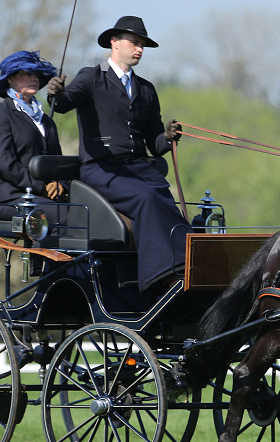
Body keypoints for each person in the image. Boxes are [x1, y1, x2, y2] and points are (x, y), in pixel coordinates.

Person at [46, 16, 189, 294]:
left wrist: (168, 137)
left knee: (168, 203)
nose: (139, 49)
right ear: (114, 42)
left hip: (139, 169)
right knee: (147, 199)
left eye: (142, 45)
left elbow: (155, 143)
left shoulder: (146, 89)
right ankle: (163, 276)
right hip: (101, 170)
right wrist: (56, 93)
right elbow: (64, 103)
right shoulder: (91, 77)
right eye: (134, 43)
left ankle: (189, 267)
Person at [0, 50, 66, 229]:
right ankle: (48, 258)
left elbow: (57, 162)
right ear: (10, 79)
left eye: (36, 74)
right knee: (65, 215)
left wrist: (60, 184)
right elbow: (5, 163)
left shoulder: (46, 121)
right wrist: (41, 187)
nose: (34, 78)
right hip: (10, 197)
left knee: (91, 210)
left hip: (45, 197)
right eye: (26, 74)